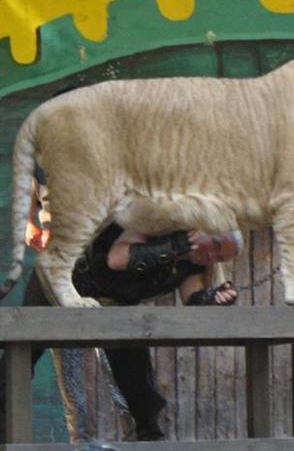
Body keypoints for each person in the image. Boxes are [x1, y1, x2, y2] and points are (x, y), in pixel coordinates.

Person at [0, 167, 242, 442]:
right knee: (22, 356)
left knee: (134, 378)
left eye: (219, 258)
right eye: (216, 247)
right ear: (203, 229)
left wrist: (213, 300)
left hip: (113, 299)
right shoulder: (160, 218)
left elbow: (193, 300)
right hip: (66, 273)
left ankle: (147, 439)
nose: (211, 256)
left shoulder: (193, 262)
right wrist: (176, 245)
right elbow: (117, 257)